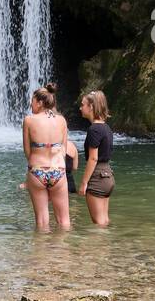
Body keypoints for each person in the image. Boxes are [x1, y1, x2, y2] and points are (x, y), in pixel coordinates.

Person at [21, 83, 70, 232]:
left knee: (42, 221)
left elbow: (27, 151)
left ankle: (42, 254)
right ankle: (64, 253)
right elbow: (63, 149)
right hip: (58, 170)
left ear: (41, 103)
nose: (31, 104)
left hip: (37, 170)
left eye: (33, 101)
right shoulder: (62, 120)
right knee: (64, 220)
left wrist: (35, 165)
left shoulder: (29, 120)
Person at [78, 91, 115, 226]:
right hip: (108, 176)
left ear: (91, 106)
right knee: (104, 221)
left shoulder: (94, 129)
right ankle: (105, 247)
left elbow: (93, 159)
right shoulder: (106, 128)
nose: (80, 108)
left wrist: (84, 183)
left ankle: (98, 247)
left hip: (97, 177)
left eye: (83, 105)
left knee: (98, 223)